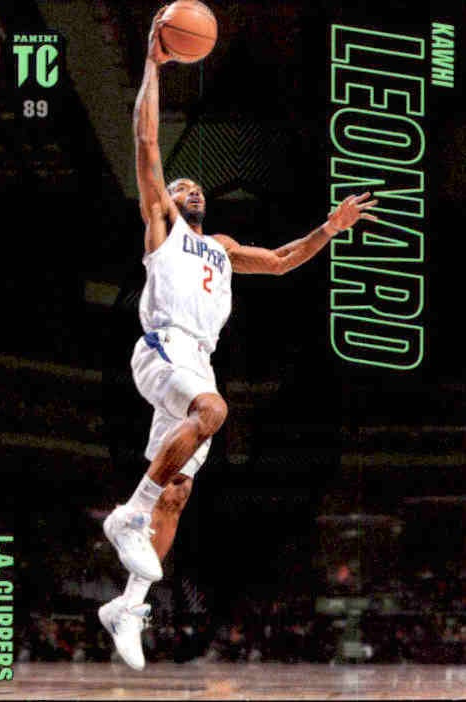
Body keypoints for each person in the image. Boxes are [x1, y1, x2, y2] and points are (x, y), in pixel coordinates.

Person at [98, 8, 378, 670]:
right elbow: (146, 143)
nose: (188, 185)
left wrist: (329, 229)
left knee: (178, 492)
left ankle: (128, 606)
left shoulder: (221, 247)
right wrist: (152, 66)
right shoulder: (162, 225)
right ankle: (127, 515)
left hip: (198, 360)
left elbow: (280, 261)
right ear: (168, 199)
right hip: (163, 348)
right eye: (180, 183)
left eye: (195, 184)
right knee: (213, 412)